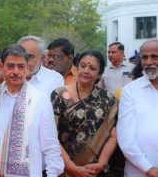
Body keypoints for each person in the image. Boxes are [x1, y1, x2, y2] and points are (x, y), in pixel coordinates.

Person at [0, 44, 64, 176]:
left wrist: (52, 174)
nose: (16, 71)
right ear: (1, 67)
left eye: (21, 66)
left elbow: (50, 146)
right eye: (10, 66)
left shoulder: (40, 99)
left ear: (27, 69)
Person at [51, 50, 118, 176]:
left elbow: (113, 136)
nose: (86, 71)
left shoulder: (108, 99)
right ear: (77, 68)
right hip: (64, 168)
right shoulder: (58, 95)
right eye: (82, 66)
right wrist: (70, 166)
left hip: (96, 170)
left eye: (92, 68)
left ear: (99, 74)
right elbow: (50, 135)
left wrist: (101, 164)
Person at [117, 39, 158, 177]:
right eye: (144, 57)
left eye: (154, 56)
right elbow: (126, 138)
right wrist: (149, 169)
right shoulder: (130, 91)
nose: (148, 62)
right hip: (139, 171)